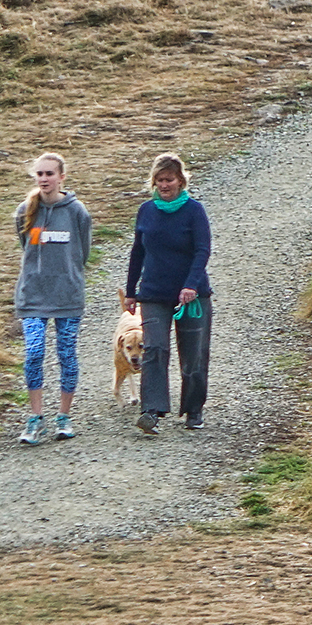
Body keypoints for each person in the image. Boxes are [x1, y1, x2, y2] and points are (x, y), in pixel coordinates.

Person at [123, 153, 213, 433]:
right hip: (153, 293)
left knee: (194, 355)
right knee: (155, 349)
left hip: (192, 295)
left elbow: (202, 250)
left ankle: (193, 410)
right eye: (159, 180)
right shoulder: (146, 210)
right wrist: (130, 291)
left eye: (169, 180)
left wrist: (191, 285)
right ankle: (151, 410)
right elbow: (138, 251)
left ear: (181, 181)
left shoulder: (194, 210)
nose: (164, 185)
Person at [13, 152, 92, 445]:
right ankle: (35, 419)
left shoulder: (77, 212)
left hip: (68, 296)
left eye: (49, 174)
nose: (44, 179)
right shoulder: (25, 211)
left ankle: (64, 416)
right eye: (40, 174)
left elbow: (83, 252)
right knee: (34, 352)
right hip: (33, 295)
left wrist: (65, 274)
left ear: (61, 177)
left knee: (66, 354)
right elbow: (26, 247)